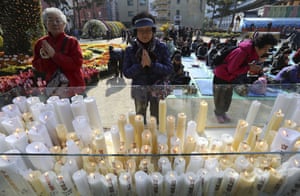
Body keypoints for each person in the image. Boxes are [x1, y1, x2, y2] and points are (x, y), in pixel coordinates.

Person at [213, 33, 278, 123]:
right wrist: (249, 68)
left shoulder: (249, 52)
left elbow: (238, 67)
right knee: (220, 96)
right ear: (258, 46)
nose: (265, 52)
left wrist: (249, 67)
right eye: (265, 49)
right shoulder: (241, 52)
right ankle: (218, 113)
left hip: (230, 77)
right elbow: (231, 69)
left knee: (227, 96)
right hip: (222, 76)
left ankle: (223, 112)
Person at [123, 11, 173, 123]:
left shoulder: (161, 47)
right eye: (141, 31)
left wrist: (152, 65)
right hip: (139, 91)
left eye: (148, 30)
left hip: (158, 90)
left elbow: (169, 70)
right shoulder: (130, 50)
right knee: (140, 118)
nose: (144, 34)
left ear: (153, 31)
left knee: (156, 118)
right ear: (135, 32)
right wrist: (140, 65)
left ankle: (156, 138)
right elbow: (126, 73)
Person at [32, 7, 85, 97]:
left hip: (74, 86)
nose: (54, 23)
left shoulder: (72, 42)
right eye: (50, 20)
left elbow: (76, 64)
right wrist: (45, 59)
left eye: (58, 20)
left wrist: (54, 55)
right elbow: (37, 66)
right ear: (45, 24)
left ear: (64, 24)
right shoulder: (41, 43)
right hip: (54, 88)